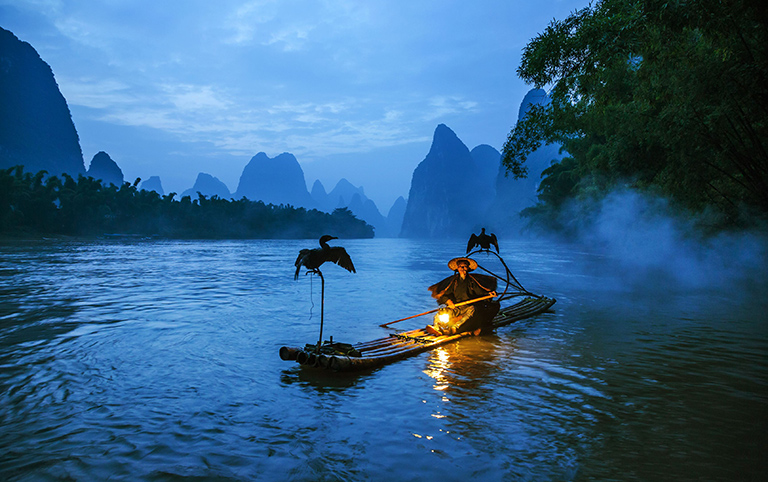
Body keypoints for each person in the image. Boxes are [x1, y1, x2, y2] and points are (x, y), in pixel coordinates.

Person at [425, 257, 500, 336]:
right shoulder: (453, 282)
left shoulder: (472, 281)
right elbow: (444, 295)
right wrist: (448, 301)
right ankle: (436, 328)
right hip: (457, 307)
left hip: (468, 307)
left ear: (468, 268)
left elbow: (481, 292)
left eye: (464, 267)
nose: (462, 269)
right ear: (457, 268)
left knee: (472, 310)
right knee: (442, 311)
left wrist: (489, 294)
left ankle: (453, 329)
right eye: (460, 267)